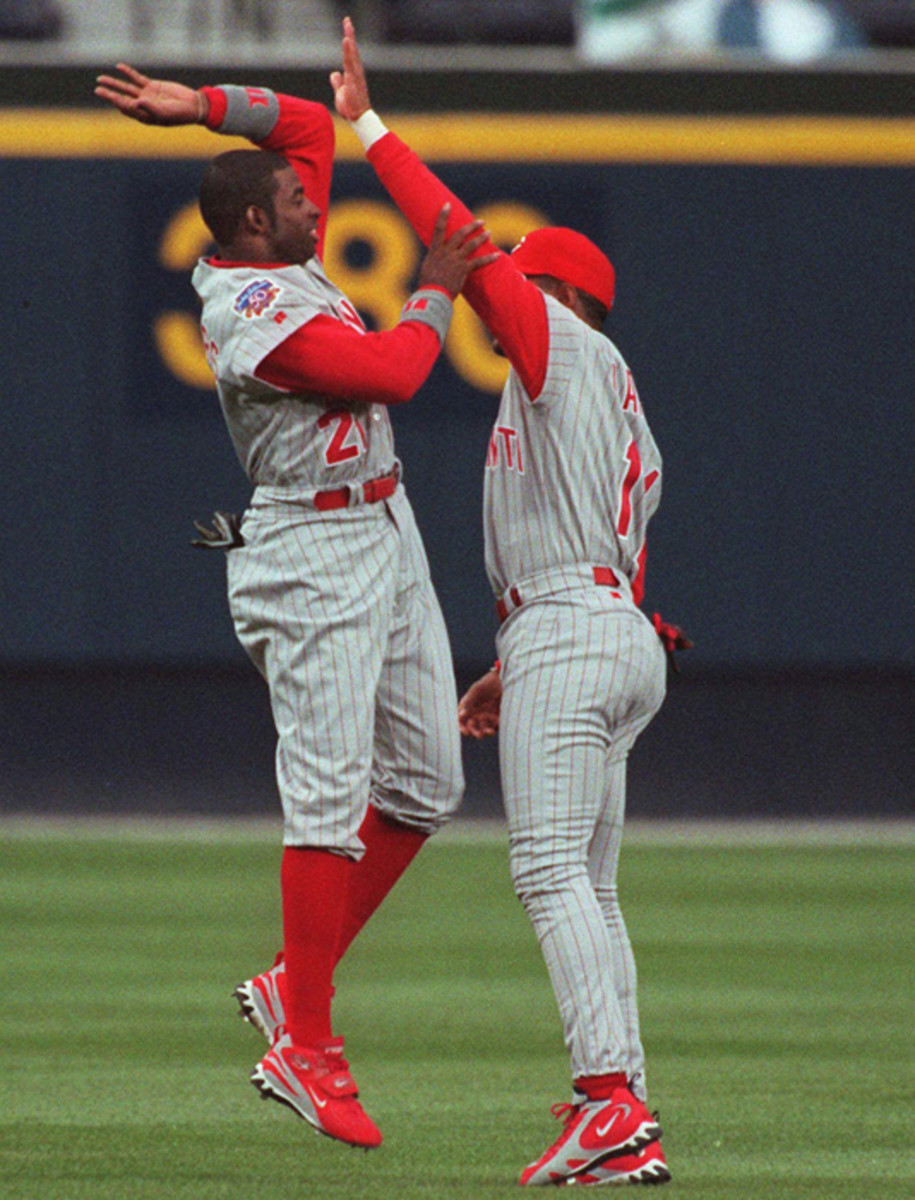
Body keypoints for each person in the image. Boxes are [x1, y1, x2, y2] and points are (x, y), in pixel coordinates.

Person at [95, 63, 494, 1151]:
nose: (319, 202)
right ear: (253, 227)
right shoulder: (250, 309)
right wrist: (436, 286)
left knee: (425, 784)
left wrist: (200, 105)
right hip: (309, 546)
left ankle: (289, 986)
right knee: (327, 800)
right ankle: (305, 1048)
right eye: (300, 203)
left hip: (382, 517)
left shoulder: (280, 233)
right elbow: (393, 372)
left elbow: (314, 121)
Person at [330, 17, 687, 1186]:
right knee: (588, 883)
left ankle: (612, 1104)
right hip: (610, 632)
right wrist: (507, 660)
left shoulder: (563, 351)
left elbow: (454, 233)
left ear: (555, 293)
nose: (499, 301)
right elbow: (607, 568)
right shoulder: (612, 401)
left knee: (545, 873)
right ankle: (622, 1104)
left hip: (579, 640)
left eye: (520, 286)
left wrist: (368, 127)